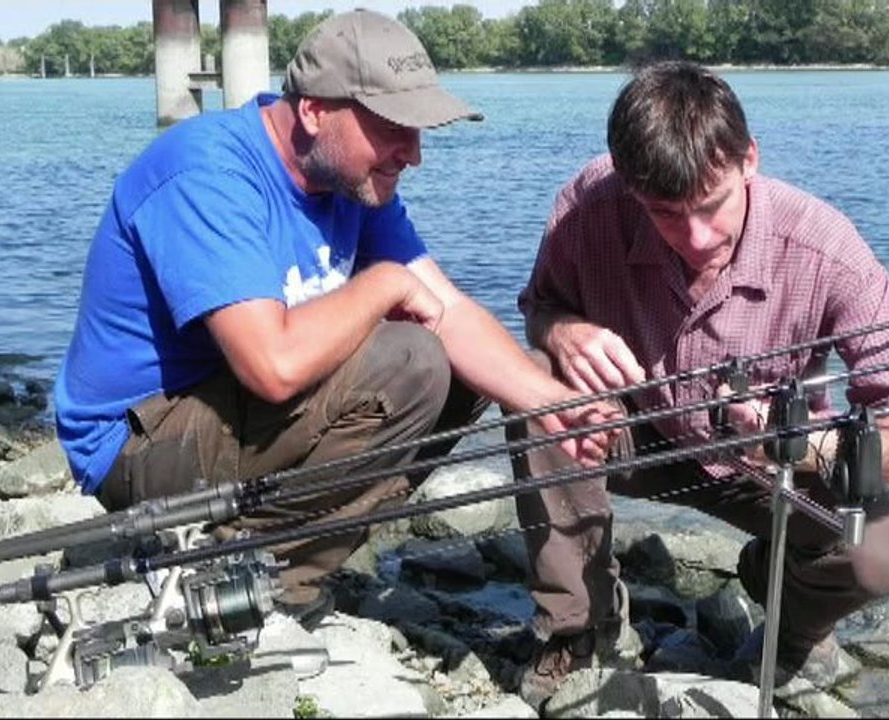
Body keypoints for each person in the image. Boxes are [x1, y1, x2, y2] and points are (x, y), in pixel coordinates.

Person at [53, 9, 616, 613]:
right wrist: (383, 285)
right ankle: (257, 574)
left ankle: (268, 572)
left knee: (461, 366)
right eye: (395, 128)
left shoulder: (354, 180)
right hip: (138, 442)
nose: (414, 155)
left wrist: (554, 405)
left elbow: (448, 308)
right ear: (315, 111)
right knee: (413, 357)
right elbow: (273, 365)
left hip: (234, 418)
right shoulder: (208, 171)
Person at [510, 59, 889, 706]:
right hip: (632, 436)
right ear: (631, 187)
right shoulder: (590, 204)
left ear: (750, 159)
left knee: (882, 548)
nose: (694, 237)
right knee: (534, 383)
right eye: (664, 213)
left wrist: (811, 446)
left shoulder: (827, 249)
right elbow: (539, 305)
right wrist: (561, 333)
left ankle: (790, 619)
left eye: (710, 207)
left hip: (770, 464)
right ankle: (580, 629)